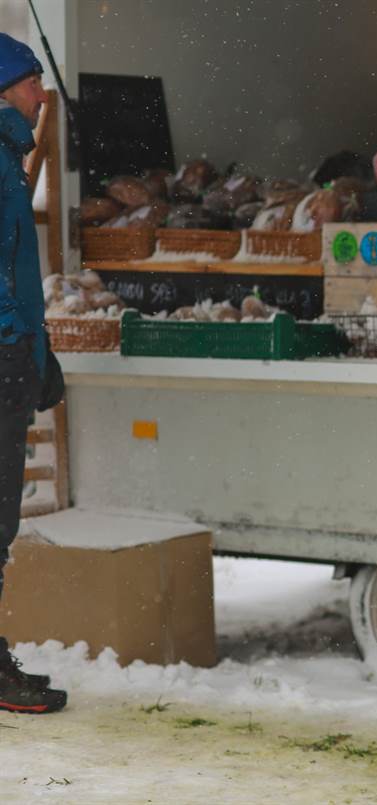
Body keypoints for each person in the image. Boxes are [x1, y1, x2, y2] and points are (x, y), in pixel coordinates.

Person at [0, 32, 66, 715]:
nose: (41, 96)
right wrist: (15, 344)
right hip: (2, 354)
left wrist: (38, 350)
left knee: (1, 516)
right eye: (29, 84)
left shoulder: (7, 156)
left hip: (15, 352)